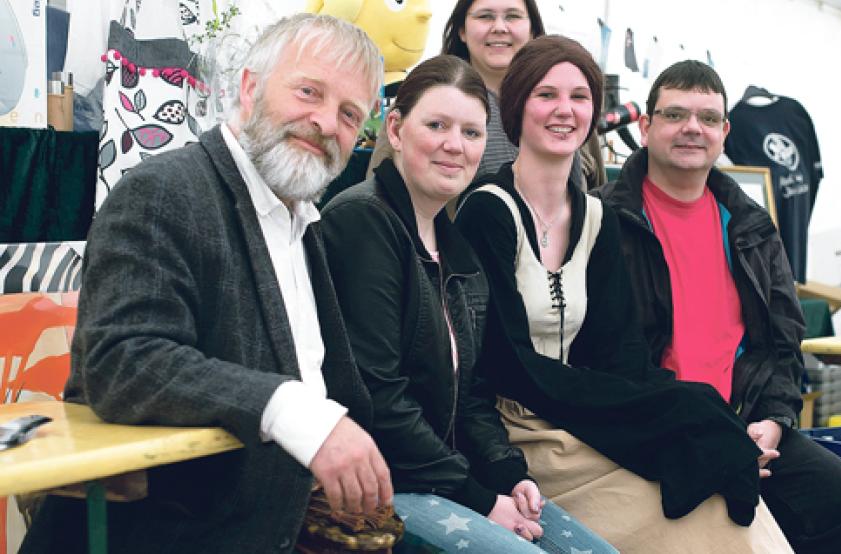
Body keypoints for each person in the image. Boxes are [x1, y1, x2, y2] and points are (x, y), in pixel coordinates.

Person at [21, 14, 392, 553]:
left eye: (349, 113)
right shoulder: (163, 192)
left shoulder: (301, 225)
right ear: (250, 87)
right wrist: (292, 410)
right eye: (309, 91)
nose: (325, 122)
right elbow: (121, 361)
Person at [456, 35, 793, 553]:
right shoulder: (487, 211)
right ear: (516, 106)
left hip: (580, 419)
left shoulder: (596, 217)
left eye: (580, 97)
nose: (564, 111)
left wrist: (693, 411)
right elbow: (506, 364)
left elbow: (620, 354)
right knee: (698, 516)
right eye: (546, 95)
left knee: (720, 490)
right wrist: (657, 417)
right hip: (519, 431)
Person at [320, 55, 615, 554]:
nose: (454, 145)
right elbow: (378, 399)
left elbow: (473, 395)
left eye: (472, 133)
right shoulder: (363, 221)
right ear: (395, 127)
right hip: (381, 483)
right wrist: (479, 498)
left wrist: (508, 474)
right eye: (436, 125)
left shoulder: (455, 245)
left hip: (446, 475)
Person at [597, 60, 841, 554]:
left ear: (724, 133)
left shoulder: (751, 225)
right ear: (645, 127)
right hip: (652, 428)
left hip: (744, 422)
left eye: (708, 118)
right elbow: (597, 352)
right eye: (676, 114)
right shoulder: (604, 219)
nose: (692, 128)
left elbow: (782, 342)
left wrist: (771, 420)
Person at [365, 0, 600, 197]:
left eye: (513, 16)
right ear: (462, 30)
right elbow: (378, 192)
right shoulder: (420, 99)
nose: (499, 27)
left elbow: (597, 193)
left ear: (533, 30)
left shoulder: (567, 112)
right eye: (485, 16)